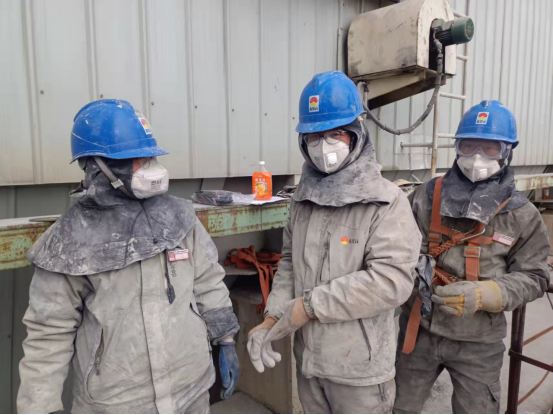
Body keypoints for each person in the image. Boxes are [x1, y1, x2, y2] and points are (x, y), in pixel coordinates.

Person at [17, 100, 240, 415]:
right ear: (99, 167)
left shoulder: (179, 218)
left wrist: (226, 338)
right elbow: (48, 334)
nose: (149, 167)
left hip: (191, 388)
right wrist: (41, 406)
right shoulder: (69, 243)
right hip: (117, 404)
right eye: (135, 158)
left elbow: (208, 281)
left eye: (148, 156)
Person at [247, 71, 422, 414]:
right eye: (314, 136)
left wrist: (309, 306)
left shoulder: (386, 202)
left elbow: (391, 282)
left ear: (356, 134)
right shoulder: (302, 200)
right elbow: (289, 264)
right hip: (309, 364)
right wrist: (272, 319)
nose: (323, 145)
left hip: (360, 371)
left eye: (335, 134)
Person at [394, 101, 551, 414]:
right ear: (457, 148)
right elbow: (397, 246)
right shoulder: (426, 196)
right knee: (399, 406)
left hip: (479, 340)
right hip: (419, 330)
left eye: (490, 148)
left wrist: (486, 294)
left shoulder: (522, 215)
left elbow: (535, 276)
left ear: (507, 151)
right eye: (468, 146)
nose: (477, 157)